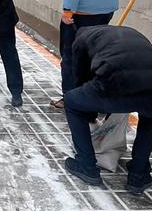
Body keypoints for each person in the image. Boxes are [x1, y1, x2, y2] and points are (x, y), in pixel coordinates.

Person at [64, 25, 152, 194]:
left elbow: (81, 79)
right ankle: (138, 175)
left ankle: (86, 165)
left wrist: (89, 113)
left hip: (114, 82)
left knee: (72, 102)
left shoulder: (80, 40)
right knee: (149, 116)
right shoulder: (125, 33)